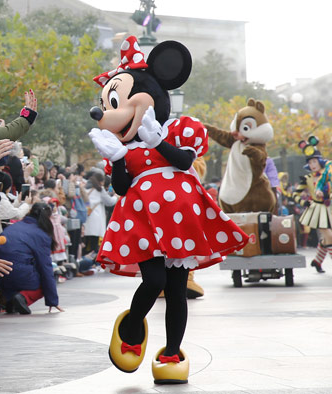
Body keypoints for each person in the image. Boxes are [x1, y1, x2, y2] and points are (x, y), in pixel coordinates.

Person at [88, 36, 248, 384]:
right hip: (143, 221)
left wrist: (159, 140)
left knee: (176, 288)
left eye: (118, 101)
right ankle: (131, 326)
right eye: (107, 104)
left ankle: (172, 351)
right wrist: (117, 160)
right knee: (155, 279)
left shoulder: (179, 129)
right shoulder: (123, 148)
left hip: (179, 222)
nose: (107, 112)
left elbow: (185, 159)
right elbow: (120, 188)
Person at [0, 203, 64, 314]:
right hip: (19, 273)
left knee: (18, 268)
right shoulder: (41, 234)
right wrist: (52, 301)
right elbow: (45, 267)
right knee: (47, 278)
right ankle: (23, 298)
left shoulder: (14, 226)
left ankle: (10, 300)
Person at [294, 138, 331, 273]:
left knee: (326, 237)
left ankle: (317, 261)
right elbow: (295, 194)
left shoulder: (328, 174)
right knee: (329, 236)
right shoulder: (307, 178)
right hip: (317, 209)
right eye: (310, 162)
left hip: (329, 207)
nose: (312, 164)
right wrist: (304, 202)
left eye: (314, 161)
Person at [83, 171, 117, 254]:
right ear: (101, 181)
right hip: (96, 219)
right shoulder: (99, 190)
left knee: (86, 242)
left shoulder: (85, 187)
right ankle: (92, 262)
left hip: (87, 218)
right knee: (94, 244)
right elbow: (109, 202)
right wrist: (115, 197)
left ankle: (85, 260)